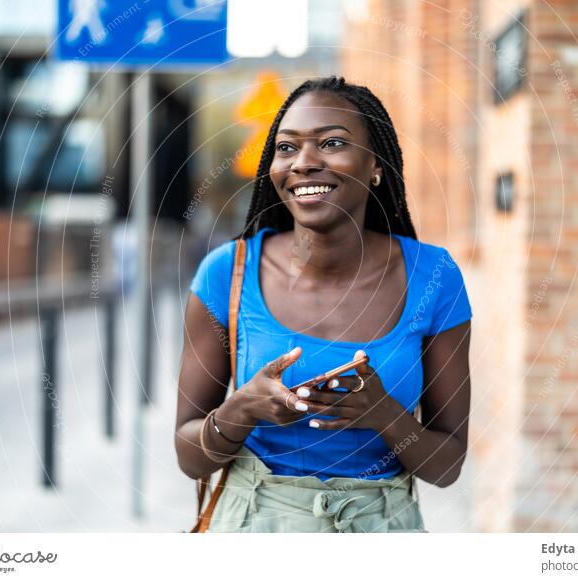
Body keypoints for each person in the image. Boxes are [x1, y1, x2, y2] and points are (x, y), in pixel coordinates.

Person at [175, 75, 472, 533]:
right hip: (253, 526)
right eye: (287, 148)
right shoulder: (226, 274)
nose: (304, 163)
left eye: (332, 143)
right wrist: (241, 410)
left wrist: (384, 416)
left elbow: (447, 466)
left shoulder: (433, 277)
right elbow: (189, 457)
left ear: (376, 165)